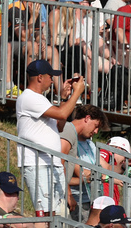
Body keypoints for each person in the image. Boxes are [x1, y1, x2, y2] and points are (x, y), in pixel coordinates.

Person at [17, 60, 88, 213]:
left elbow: (59, 124)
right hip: (38, 163)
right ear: (40, 77)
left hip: (51, 163)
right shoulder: (29, 97)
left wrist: (63, 99)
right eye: (51, 76)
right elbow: (62, 114)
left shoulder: (41, 99)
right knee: (44, 213)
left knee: (54, 213)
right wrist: (77, 94)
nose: (52, 81)